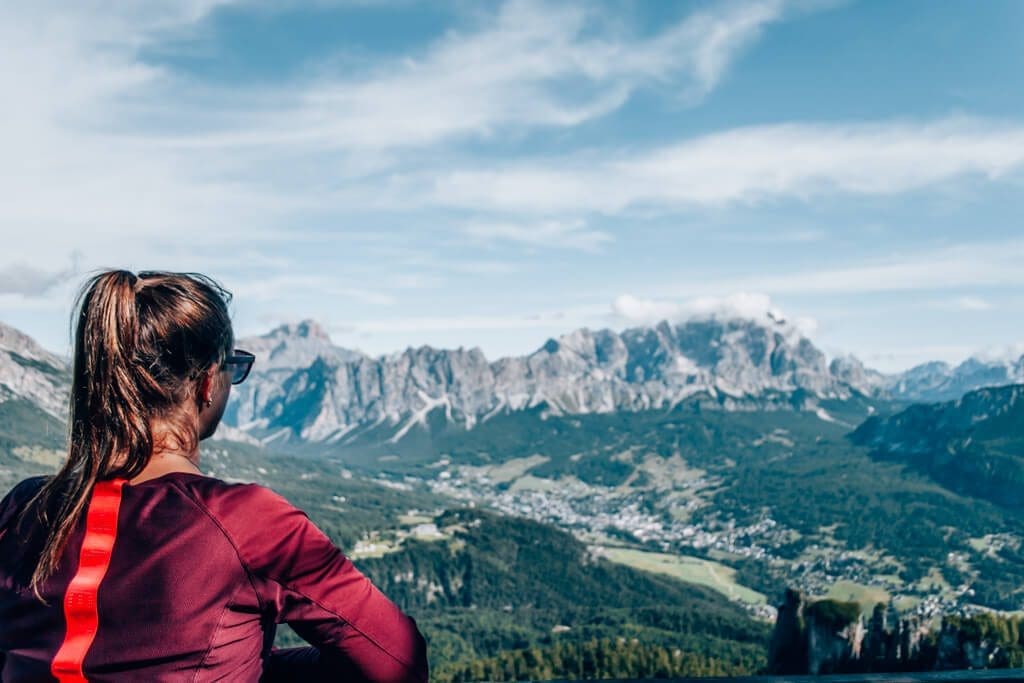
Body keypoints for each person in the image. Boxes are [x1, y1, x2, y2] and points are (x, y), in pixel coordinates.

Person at [0, 269, 428, 682]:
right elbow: (399, 662)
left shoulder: (21, 508)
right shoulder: (245, 520)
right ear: (208, 383)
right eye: (233, 368)